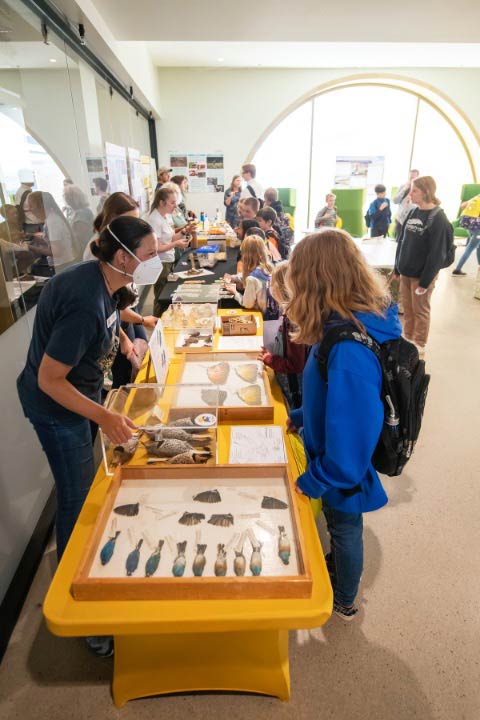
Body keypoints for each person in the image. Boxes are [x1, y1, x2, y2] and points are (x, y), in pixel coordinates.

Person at [17, 215, 159, 564]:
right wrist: (104, 416)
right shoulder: (82, 301)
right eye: (150, 253)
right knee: (76, 495)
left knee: (83, 480)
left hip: (81, 393)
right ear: (124, 257)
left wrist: (125, 343)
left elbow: (112, 315)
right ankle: (71, 577)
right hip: (56, 408)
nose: (155, 260)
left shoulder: (103, 279)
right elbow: (49, 379)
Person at [286, 229, 401, 620]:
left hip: (339, 469)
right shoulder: (340, 324)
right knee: (342, 526)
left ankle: (345, 600)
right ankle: (341, 575)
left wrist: (312, 481)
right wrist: (300, 417)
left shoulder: (349, 348)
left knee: (345, 528)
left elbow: (350, 444)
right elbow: (329, 398)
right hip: (331, 455)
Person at [394, 175, 452, 355]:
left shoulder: (439, 219)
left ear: (426, 192)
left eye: (415, 190)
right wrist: (398, 266)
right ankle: (407, 335)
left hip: (422, 275)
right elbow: (402, 241)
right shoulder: (413, 212)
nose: (410, 193)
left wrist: (425, 282)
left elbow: (437, 254)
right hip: (406, 271)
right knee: (408, 308)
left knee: (420, 310)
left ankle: (419, 343)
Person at [257, 261, 307, 410]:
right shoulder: (292, 314)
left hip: (293, 387)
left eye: (272, 284)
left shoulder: (294, 320)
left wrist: (271, 360)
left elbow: (295, 364)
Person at [146, 186, 193, 315]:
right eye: (172, 202)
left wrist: (184, 232)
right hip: (160, 263)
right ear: (162, 202)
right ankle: (157, 323)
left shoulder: (166, 216)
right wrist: (176, 244)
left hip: (168, 260)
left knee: (167, 294)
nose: (175, 205)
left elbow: (171, 237)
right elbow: (156, 248)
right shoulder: (154, 220)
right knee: (161, 297)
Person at [224, 235, 279, 320]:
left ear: (245, 255)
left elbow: (247, 304)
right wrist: (233, 277)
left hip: (261, 319)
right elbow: (252, 276)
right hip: (275, 316)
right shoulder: (269, 269)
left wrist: (234, 292)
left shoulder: (251, 280)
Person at [26, 191, 76, 274]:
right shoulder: (52, 219)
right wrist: (32, 237)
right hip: (63, 265)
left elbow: (56, 252)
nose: (30, 210)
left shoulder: (53, 222)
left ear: (41, 206)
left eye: (31, 206)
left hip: (62, 266)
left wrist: (31, 248)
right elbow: (52, 243)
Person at [452, 193, 480, 277]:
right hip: (476, 227)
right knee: (470, 248)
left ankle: (479, 266)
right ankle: (457, 269)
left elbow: (463, 205)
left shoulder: (476, 197)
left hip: (466, 224)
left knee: (478, 246)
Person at [63, 185, 94, 253]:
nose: (65, 198)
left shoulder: (83, 213)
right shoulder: (74, 212)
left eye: (67, 196)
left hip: (84, 249)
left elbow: (80, 236)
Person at [393, 169, 419, 241]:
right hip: (400, 220)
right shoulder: (403, 187)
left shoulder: (419, 189)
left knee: (409, 242)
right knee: (398, 242)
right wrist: (405, 189)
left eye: (413, 178)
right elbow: (395, 201)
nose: (411, 179)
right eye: (410, 177)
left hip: (412, 220)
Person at [15, 168, 43, 234]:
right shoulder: (26, 193)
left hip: (29, 225)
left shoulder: (20, 191)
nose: (34, 178)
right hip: (34, 226)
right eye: (32, 176)